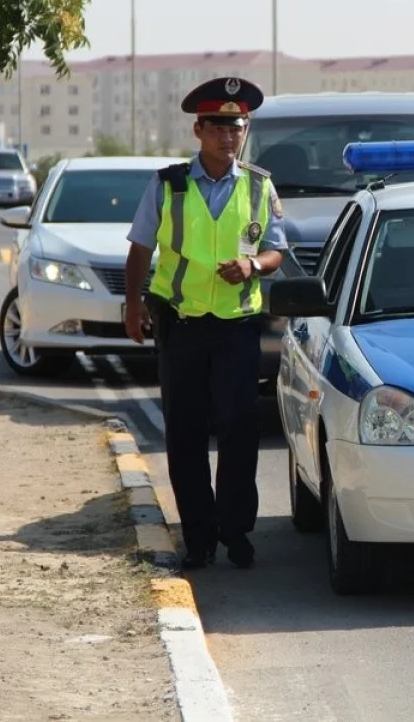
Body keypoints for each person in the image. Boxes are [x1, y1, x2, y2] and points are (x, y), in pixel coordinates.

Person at [122, 76, 288, 570]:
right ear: (198, 130)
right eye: (216, 126)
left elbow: (277, 251)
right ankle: (198, 539)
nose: (226, 136)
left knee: (238, 429)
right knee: (186, 434)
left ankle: (236, 532)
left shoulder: (259, 185)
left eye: (235, 127)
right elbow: (140, 248)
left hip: (237, 325)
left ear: (245, 130)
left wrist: (253, 266)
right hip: (182, 325)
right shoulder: (168, 183)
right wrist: (134, 305)